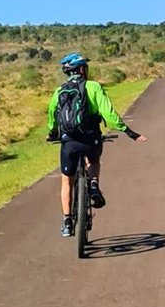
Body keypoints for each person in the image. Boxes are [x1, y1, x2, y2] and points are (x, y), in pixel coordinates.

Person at [46, 53, 144, 236]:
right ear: (82, 69)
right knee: (94, 161)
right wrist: (129, 132)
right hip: (91, 139)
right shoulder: (94, 87)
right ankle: (93, 184)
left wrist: (52, 134)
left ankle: (67, 222)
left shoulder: (59, 91)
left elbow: (52, 116)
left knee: (67, 180)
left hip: (69, 142)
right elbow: (109, 113)